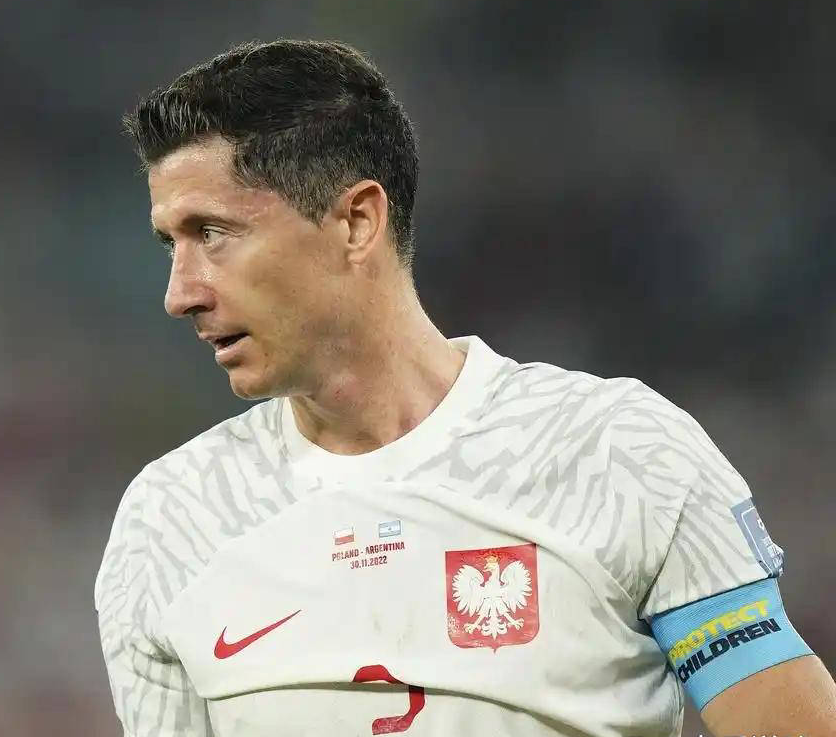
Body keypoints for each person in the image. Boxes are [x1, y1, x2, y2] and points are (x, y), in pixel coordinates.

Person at [94, 39, 836, 737]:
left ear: (357, 221)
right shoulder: (169, 522)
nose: (180, 294)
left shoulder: (619, 453)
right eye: (170, 244)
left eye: (212, 233)